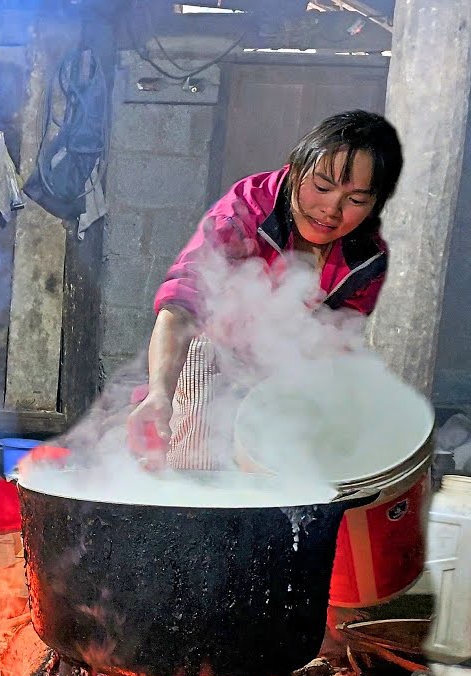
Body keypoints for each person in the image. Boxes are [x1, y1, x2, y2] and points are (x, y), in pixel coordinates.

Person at [127, 109, 404, 470]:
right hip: (213, 354)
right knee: (196, 468)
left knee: (280, 475)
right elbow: (180, 308)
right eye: (321, 187)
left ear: (375, 204)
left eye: (355, 200)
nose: (330, 210)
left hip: (287, 368)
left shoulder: (365, 259)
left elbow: (335, 342)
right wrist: (160, 393)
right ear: (295, 168)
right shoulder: (245, 213)